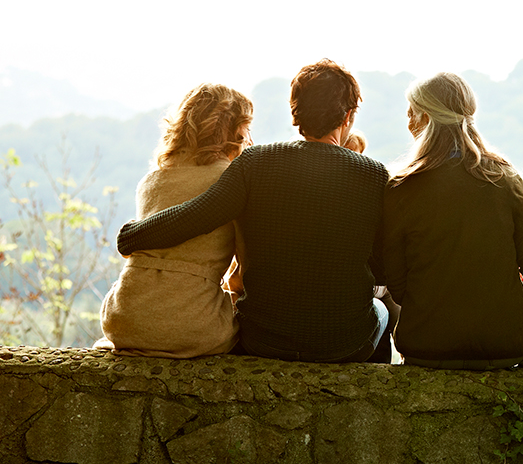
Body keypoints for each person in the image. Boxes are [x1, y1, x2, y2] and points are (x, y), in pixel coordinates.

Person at [116, 59, 392, 363]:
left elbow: (194, 216)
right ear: (349, 116)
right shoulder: (374, 175)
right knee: (380, 310)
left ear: (294, 112)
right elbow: (382, 266)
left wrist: (131, 236)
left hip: (262, 339)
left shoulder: (255, 163)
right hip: (342, 343)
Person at [379, 72, 523, 369]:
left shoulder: (401, 187)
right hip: (507, 343)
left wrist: (429, 308)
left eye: (410, 113)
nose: (407, 123)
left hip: (426, 343)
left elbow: (394, 276)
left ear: (424, 118)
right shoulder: (505, 179)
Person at [97, 84, 252, 358]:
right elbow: (243, 270)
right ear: (237, 130)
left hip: (122, 318)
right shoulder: (232, 180)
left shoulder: (150, 181)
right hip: (192, 327)